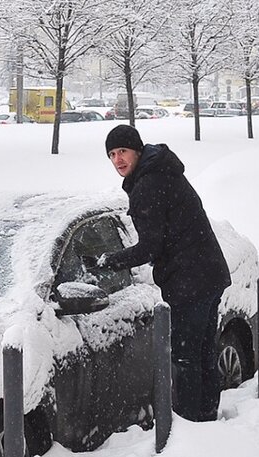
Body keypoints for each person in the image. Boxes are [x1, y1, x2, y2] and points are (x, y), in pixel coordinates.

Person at [84, 124, 231, 422]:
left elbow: (149, 248)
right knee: (202, 352)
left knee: (186, 357)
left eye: (122, 151)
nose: (117, 160)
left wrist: (105, 262)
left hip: (190, 280)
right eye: (111, 154)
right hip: (208, 272)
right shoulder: (162, 171)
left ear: (137, 150)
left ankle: (191, 423)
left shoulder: (148, 185)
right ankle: (207, 414)